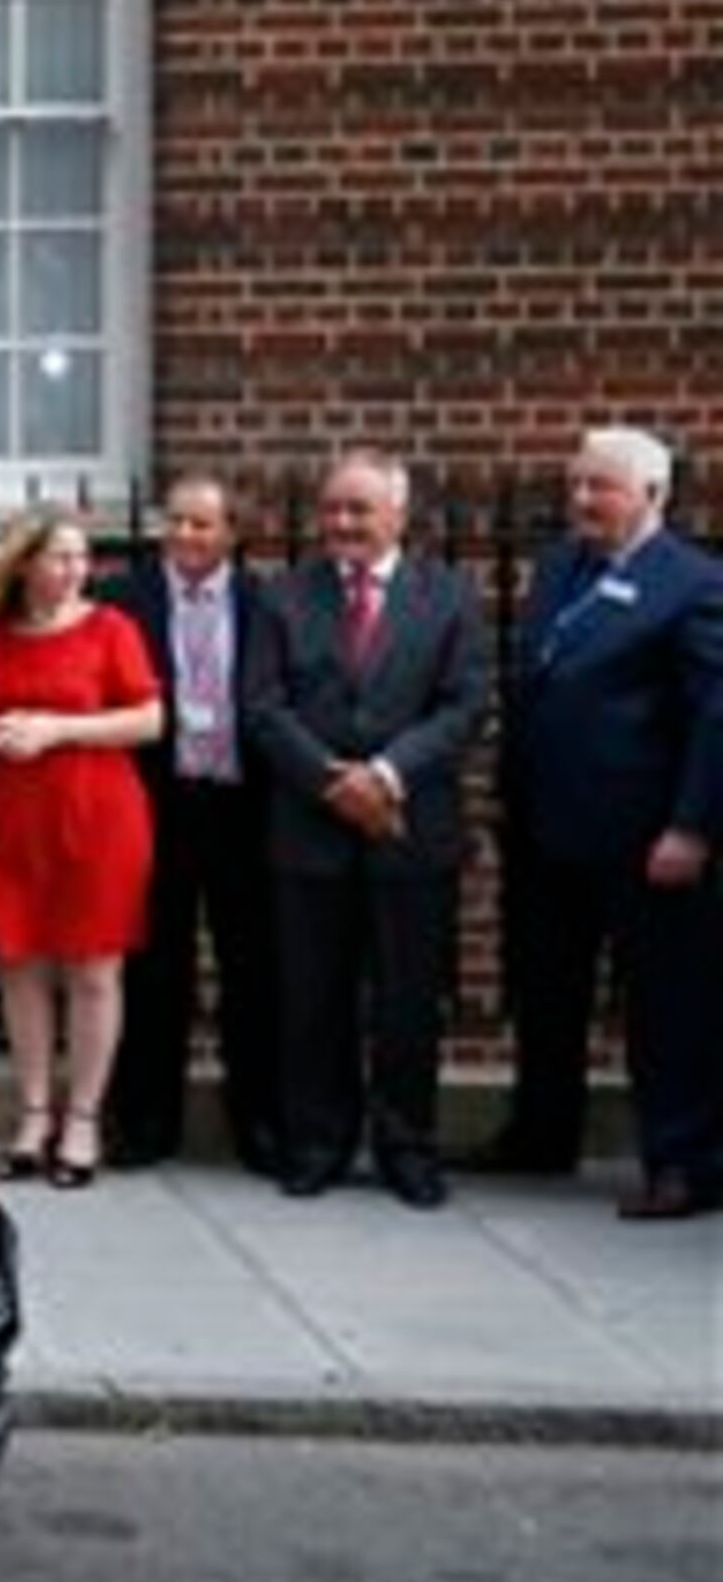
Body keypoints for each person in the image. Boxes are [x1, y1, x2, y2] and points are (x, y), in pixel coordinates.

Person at [480, 427, 723, 1219]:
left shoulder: (692, 585)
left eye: (601, 488)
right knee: (547, 990)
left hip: (645, 838)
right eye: (577, 485)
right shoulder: (561, 567)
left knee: (667, 1004)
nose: (582, 501)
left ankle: (682, 1161)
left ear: (653, 495)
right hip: (551, 829)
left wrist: (691, 826)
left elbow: (714, 717)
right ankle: (541, 1133)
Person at [240, 450, 487, 1209]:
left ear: (398, 516)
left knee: (408, 1000)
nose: (342, 524)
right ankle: (319, 1143)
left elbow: (465, 706)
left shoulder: (447, 596)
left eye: (360, 510)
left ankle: (407, 1146)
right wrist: (332, 782)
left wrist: (383, 776)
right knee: (312, 999)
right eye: (333, 509)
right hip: (307, 834)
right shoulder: (285, 596)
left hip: (409, 829)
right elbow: (262, 706)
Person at [0, 507, 165, 1187]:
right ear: (24, 565)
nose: (77, 569)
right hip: (12, 819)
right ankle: (34, 1111)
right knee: (20, 966)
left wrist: (55, 729)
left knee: (94, 972)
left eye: (83, 556)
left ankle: (82, 1120)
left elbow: (150, 719)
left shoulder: (112, 629)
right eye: (61, 557)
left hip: (97, 816)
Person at [98, 474, 281, 1173]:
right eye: (175, 522)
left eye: (201, 525)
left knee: (253, 971)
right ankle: (145, 1124)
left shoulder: (268, 603)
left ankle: (259, 1125)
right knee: (153, 970)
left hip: (243, 806)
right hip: (156, 801)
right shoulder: (122, 602)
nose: (184, 537)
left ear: (233, 531)